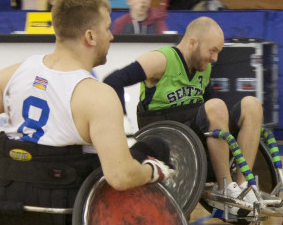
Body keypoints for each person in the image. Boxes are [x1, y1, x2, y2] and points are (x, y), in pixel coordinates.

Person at [0, 0, 174, 225]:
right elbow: (120, 177)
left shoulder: (12, 75)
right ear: (90, 36)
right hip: (71, 222)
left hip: (9, 211)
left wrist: (0, 156)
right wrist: (153, 171)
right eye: (107, 29)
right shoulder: (97, 95)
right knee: (155, 147)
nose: (111, 36)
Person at [102, 17, 263, 198]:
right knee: (216, 106)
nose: (215, 58)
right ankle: (224, 185)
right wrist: (123, 129)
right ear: (193, 42)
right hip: (167, 134)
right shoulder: (161, 59)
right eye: (212, 51)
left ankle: (243, 185)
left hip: (196, 133)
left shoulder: (203, 67)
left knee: (252, 105)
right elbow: (113, 80)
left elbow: (216, 110)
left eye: (218, 52)